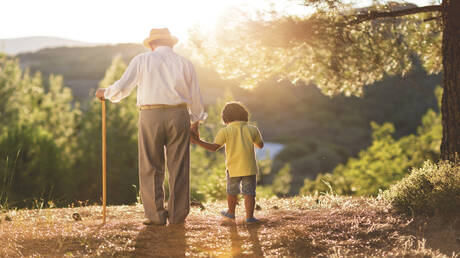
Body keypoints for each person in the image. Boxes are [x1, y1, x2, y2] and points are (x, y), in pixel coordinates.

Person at [95, 28, 207, 226]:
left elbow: (122, 88)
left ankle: (155, 216)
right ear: (171, 43)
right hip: (178, 114)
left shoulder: (142, 60)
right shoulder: (185, 63)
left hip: (150, 114)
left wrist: (106, 93)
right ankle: (177, 215)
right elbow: (196, 98)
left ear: (152, 44)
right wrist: (195, 121)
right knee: (179, 166)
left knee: (150, 165)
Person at [191, 102, 263, 224]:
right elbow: (260, 145)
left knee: (232, 191)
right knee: (249, 192)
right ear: (244, 115)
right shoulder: (252, 129)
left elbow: (213, 148)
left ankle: (231, 212)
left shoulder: (225, 131)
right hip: (249, 168)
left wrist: (197, 141)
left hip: (233, 168)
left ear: (226, 118)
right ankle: (250, 217)